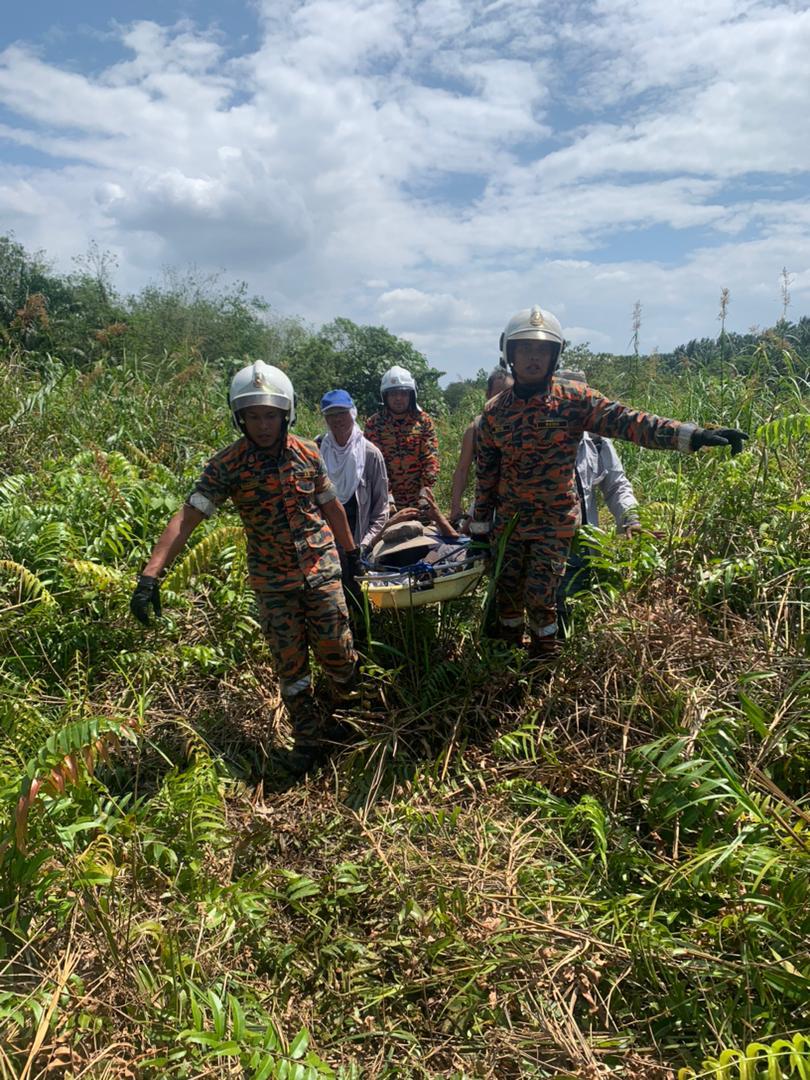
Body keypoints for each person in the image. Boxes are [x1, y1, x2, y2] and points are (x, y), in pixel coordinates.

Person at [471, 305, 748, 660]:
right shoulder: (495, 413)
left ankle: (544, 666)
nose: (533, 358)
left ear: (555, 355)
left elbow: (631, 421)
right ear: (509, 352)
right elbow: (486, 476)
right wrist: (479, 532)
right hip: (508, 525)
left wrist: (693, 435)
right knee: (507, 596)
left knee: (542, 599)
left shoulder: (573, 400)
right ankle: (505, 664)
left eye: (542, 350)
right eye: (525, 349)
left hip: (553, 525)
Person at [129, 361, 362, 774]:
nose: (262, 425)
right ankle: (308, 741)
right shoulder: (228, 465)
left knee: (338, 655)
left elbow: (332, 507)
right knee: (291, 669)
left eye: (270, 415)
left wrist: (352, 556)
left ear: (284, 413)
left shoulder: (308, 453)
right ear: (240, 418)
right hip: (273, 584)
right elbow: (187, 517)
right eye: (253, 416)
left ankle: (350, 722)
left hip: (321, 570)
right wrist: (151, 575)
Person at [554, 368, 642, 623]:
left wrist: (631, 518)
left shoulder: (596, 440)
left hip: (587, 546)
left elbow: (616, 485)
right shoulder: (538, 440)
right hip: (546, 550)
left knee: (581, 615)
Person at [318, 388, 389, 617]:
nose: (337, 419)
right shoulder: (316, 451)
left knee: (360, 604)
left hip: (358, 545)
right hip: (325, 545)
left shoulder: (370, 454)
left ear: (353, 413)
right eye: (331, 414)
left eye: (342, 413)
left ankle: (361, 645)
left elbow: (381, 509)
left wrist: (364, 546)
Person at [364, 366, 440, 512]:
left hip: (420, 500)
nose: (398, 398)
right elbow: (373, 463)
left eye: (403, 394)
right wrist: (387, 493)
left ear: (411, 395)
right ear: (385, 396)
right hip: (386, 501)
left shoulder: (423, 421)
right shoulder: (373, 424)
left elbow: (431, 458)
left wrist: (426, 488)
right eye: (393, 394)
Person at [450, 368, 514, 530]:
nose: (503, 399)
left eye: (508, 393)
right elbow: (462, 470)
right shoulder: (476, 427)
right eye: (498, 393)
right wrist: (455, 507)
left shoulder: (524, 425)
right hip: (486, 500)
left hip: (518, 503)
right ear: (488, 395)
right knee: (476, 540)